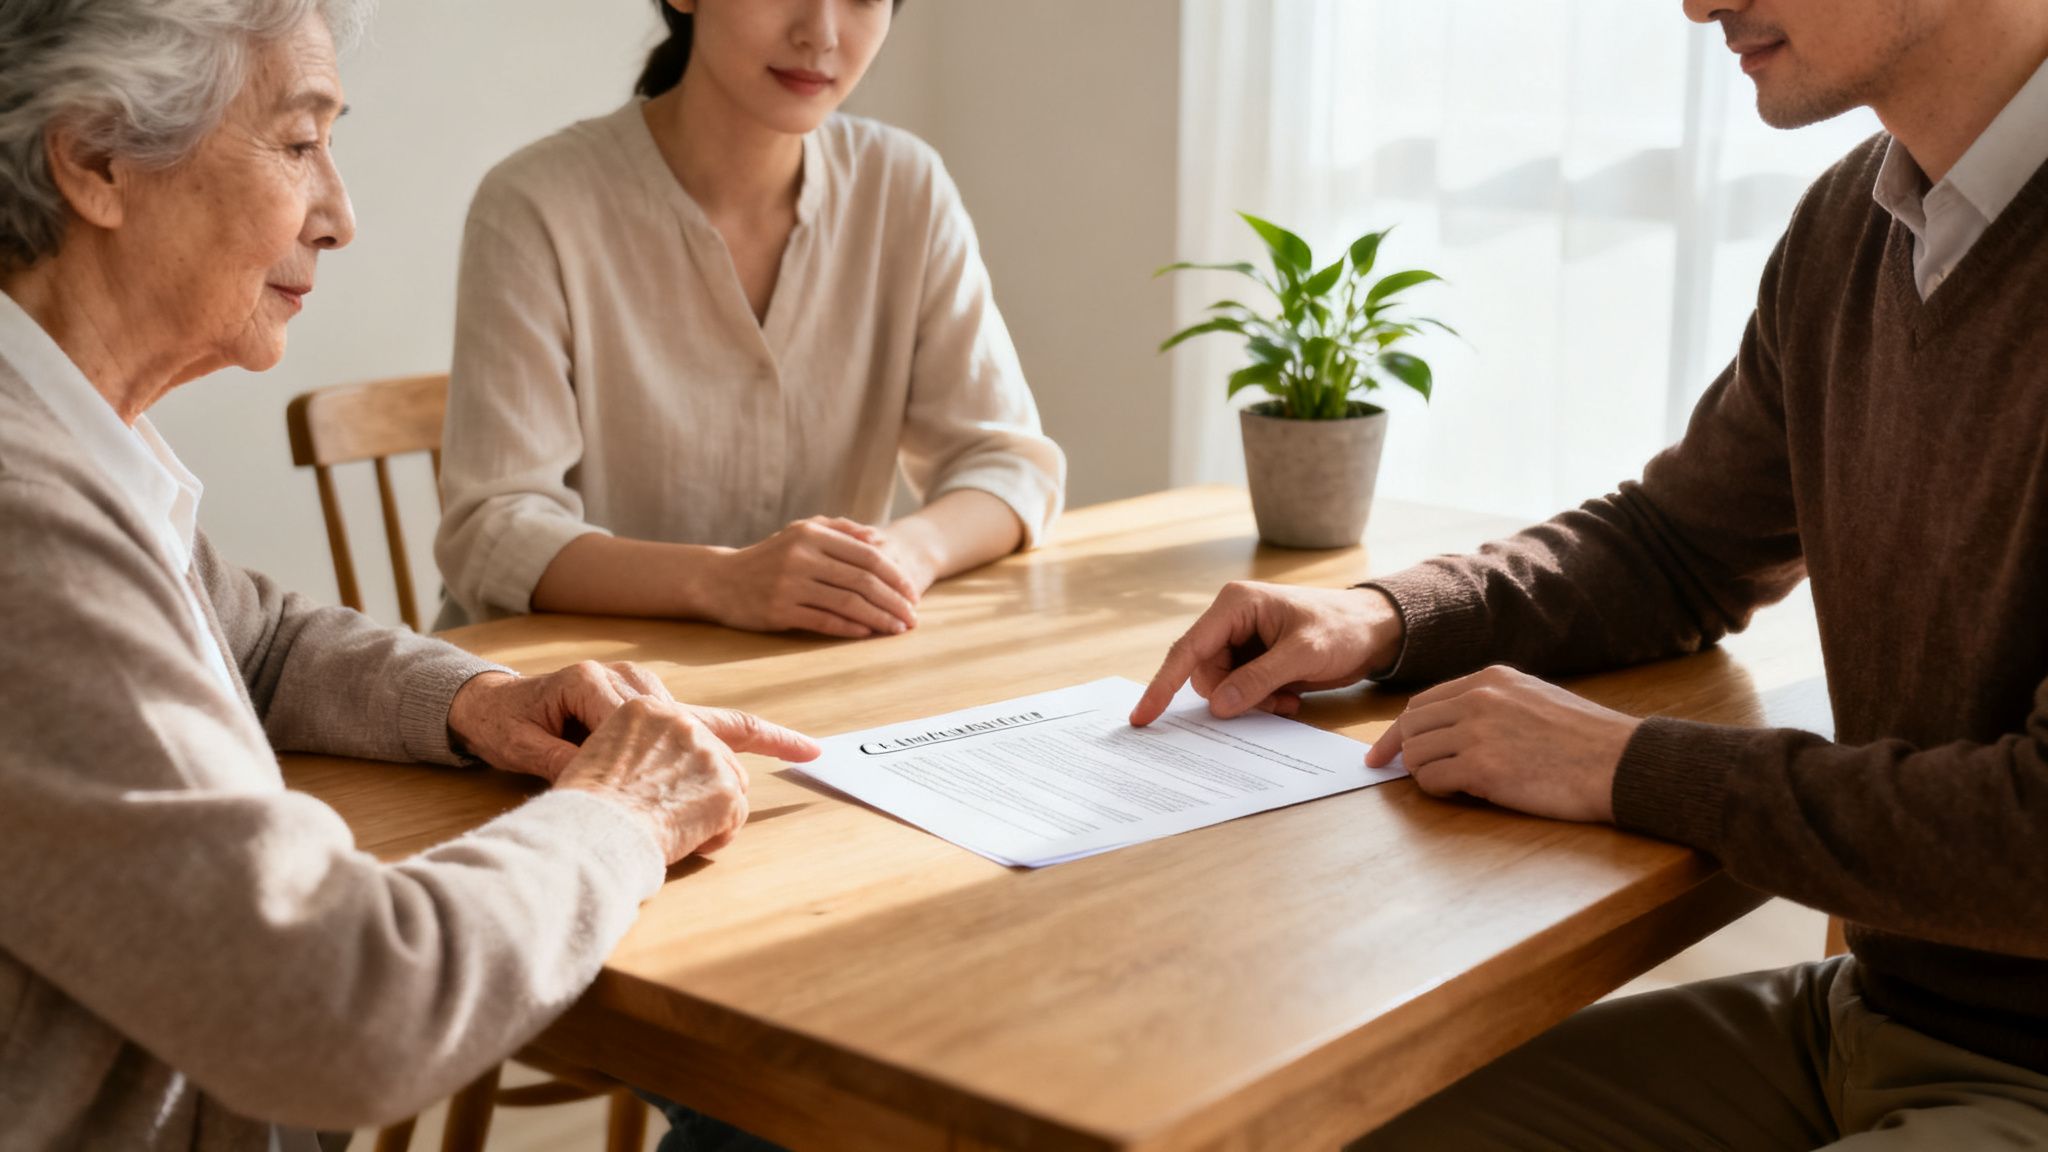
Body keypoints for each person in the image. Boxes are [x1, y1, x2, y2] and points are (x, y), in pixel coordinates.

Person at [1135, 0, 2048, 1145]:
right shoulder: (1852, 227)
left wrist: (1629, 766)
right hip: (1874, 1015)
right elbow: (1676, 546)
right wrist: (1378, 619)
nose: (1696, 2)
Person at [0, 3, 819, 1148]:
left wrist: (476, 700)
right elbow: (336, 1008)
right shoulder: (23, 524)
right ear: (95, 160)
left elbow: (259, 637)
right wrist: (618, 815)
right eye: (298, 144)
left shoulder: (60, 433)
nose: (339, 216)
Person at [432, 0, 1066, 638]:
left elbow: (1009, 464)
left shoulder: (903, 187)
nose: (819, 34)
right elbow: (494, 529)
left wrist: (897, 558)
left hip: (813, 681)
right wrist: (722, 581)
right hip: (565, 695)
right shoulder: (536, 203)